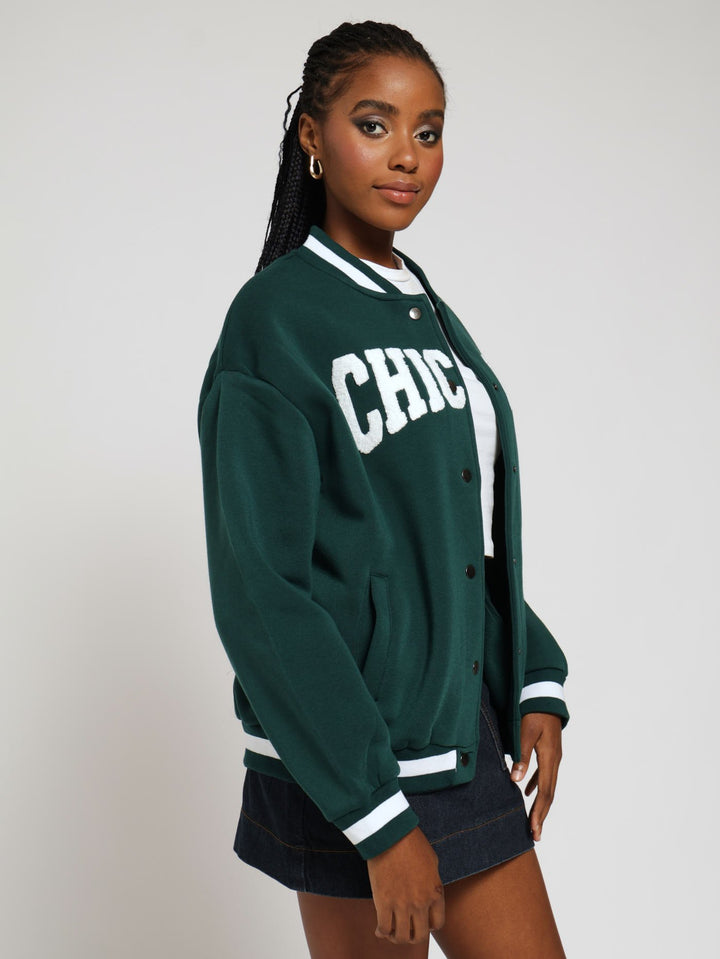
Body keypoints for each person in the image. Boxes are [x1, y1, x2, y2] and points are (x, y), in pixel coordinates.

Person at [198, 20, 570, 959]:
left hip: (455, 732)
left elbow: (444, 541)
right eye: (375, 124)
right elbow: (262, 589)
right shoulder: (274, 321)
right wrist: (373, 813)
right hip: (345, 755)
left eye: (428, 131)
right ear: (312, 137)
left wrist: (530, 671)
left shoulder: (423, 306)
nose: (407, 154)